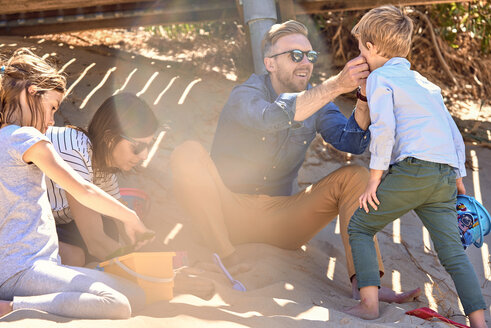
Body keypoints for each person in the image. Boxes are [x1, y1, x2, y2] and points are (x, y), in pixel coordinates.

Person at [171, 20, 420, 303]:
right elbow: (269, 118)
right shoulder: (245, 94)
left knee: (356, 176)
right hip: (225, 210)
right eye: (295, 55)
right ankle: (226, 257)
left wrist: (362, 95)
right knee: (187, 153)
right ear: (270, 63)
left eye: (310, 56)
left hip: (281, 218)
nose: (305, 63)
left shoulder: (318, 101)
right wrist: (337, 84)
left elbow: (350, 141)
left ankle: (365, 285)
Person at [345, 6, 486, 327]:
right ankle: (479, 321)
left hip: (414, 170)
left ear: (372, 48)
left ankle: (369, 306)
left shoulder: (380, 78)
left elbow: (384, 129)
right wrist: (459, 179)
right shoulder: (423, 83)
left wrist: (374, 179)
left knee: (360, 227)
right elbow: (452, 131)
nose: (359, 52)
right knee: (453, 254)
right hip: (443, 176)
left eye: (360, 46)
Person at [0, 48, 154, 319]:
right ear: (31, 93)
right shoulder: (25, 138)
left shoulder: (7, 138)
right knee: (117, 304)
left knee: (137, 294)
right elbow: (82, 190)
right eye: (52, 108)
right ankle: (9, 307)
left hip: (35, 268)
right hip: (23, 270)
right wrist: (130, 217)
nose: (51, 121)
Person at [46, 93, 158, 266]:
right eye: (138, 146)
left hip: (47, 221)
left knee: (108, 225)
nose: (144, 155)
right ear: (110, 138)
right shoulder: (73, 150)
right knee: (75, 257)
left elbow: (121, 217)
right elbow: (96, 242)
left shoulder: (101, 164)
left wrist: (144, 247)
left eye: (148, 146)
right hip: (10, 225)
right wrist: (156, 272)